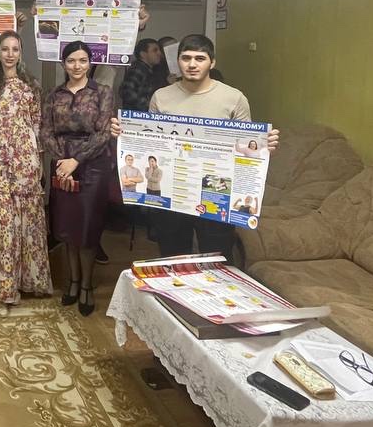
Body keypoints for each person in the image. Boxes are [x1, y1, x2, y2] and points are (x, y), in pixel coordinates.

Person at [148, 33, 278, 259]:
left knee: (216, 256)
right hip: (175, 183)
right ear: (177, 61)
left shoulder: (234, 98)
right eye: (186, 58)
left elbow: (247, 146)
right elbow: (151, 142)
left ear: (212, 62)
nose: (192, 64)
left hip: (217, 185)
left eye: (200, 58)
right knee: (173, 257)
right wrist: (126, 134)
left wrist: (263, 148)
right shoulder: (160, 97)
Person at [0, 30, 49, 315]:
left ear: (20, 53)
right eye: (4, 49)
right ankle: (2, 291)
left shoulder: (30, 85)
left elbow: (37, 124)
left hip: (25, 162)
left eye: (14, 49)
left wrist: (39, 160)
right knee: (2, 225)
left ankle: (25, 282)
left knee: (26, 225)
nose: (9, 54)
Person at [43, 40, 115, 317]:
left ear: (90, 63)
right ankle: (72, 282)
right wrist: (62, 159)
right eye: (71, 60)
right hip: (62, 165)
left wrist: (76, 160)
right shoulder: (54, 94)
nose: (77, 66)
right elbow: (46, 130)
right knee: (66, 228)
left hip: (93, 166)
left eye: (83, 60)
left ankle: (86, 286)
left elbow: (103, 132)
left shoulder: (102, 92)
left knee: (86, 229)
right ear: (63, 64)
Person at [119, 38, 162, 112]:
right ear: (143, 54)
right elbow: (127, 92)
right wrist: (148, 105)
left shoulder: (149, 70)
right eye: (155, 50)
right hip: (135, 115)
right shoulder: (138, 69)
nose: (159, 53)